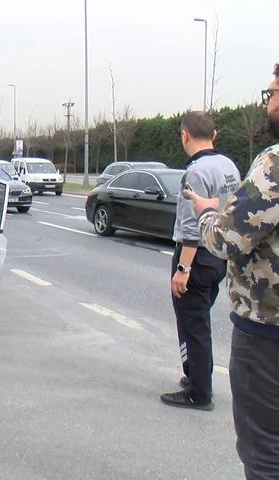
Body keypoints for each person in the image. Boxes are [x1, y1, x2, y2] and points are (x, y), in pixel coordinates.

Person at [186, 63, 279, 479]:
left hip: (267, 333)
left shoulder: (273, 165)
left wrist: (208, 214)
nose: (269, 101)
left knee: (264, 452)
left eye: (272, 92)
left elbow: (228, 239)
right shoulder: (232, 164)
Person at [161, 111, 241, 411]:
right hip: (220, 256)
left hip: (196, 257)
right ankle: (196, 375)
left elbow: (190, 229)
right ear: (214, 135)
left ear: (184, 135)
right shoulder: (229, 166)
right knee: (199, 319)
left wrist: (183, 268)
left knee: (193, 323)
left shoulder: (194, 173)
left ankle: (199, 391)